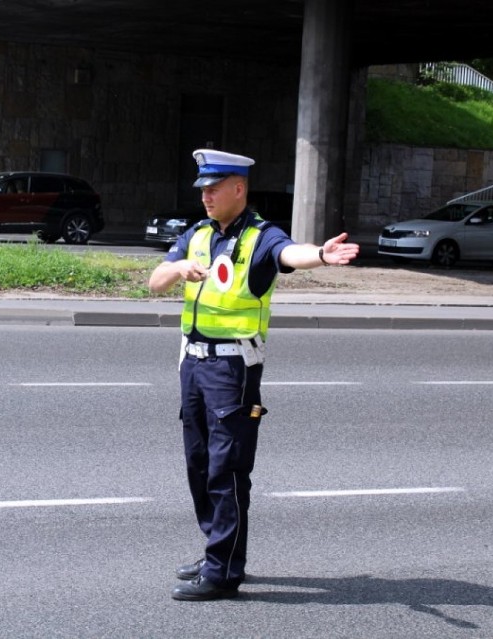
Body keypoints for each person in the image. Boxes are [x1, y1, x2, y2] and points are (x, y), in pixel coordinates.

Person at [149, 149, 360, 601]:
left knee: (227, 470)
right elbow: (155, 281)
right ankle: (214, 551)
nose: (205, 196)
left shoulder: (263, 237)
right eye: (202, 189)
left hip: (232, 368)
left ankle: (224, 572)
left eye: (213, 188)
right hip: (193, 363)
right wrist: (177, 268)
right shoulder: (199, 234)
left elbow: (290, 254)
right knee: (199, 464)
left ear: (238, 189)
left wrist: (321, 254)